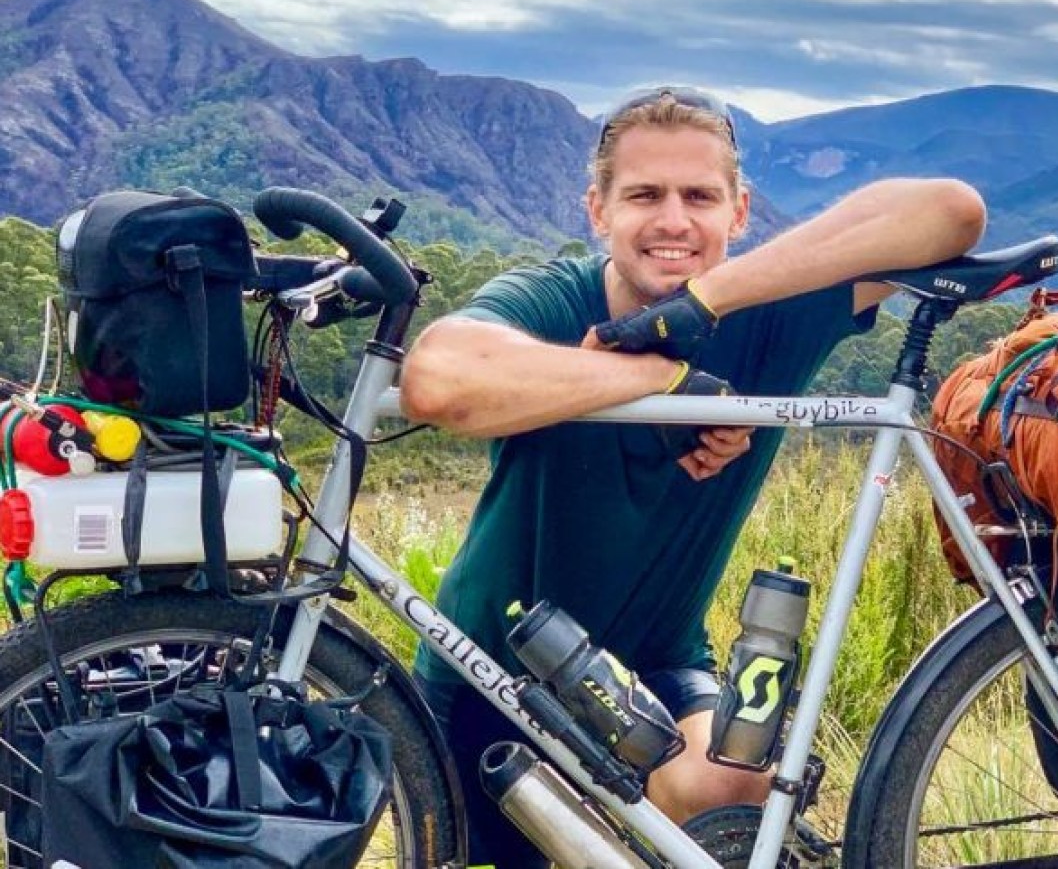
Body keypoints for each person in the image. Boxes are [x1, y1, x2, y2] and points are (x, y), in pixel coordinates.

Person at [399, 85, 985, 866]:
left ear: (739, 213)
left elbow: (950, 212)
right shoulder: (554, 298)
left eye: (699, 197)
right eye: (643, 195)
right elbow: (437, 378)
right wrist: (667, 381)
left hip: (659, 674)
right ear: (597, 211)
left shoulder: (767, 314)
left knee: (732, 788)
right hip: (481, 677)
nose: (673, 220)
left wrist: (706, 302)